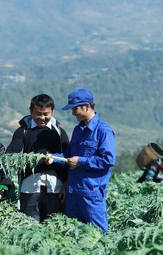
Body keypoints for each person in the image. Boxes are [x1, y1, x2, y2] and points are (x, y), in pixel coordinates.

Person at [48, 88, 116, 234]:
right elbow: (69, 155)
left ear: (86, 106)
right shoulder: (78, 130)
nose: (73, 113)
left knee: (98, 235)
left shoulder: (103, 131)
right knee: (75, 234)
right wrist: (53, 158)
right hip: (73, 193)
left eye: (75, 109)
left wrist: (81, 162)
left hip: (91, 193)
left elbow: (108, 160)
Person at [6, 94, 70, 222]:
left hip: (55, 187)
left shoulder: (59, 132)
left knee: (55, 226)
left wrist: (67, 183)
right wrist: (34, 159)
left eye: (46, 114)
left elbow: (68, 158)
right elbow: (11, 156)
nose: (42, 118)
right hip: (30, 186)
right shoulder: (22, 132)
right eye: (38, 114)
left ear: (52, 111)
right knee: (30, 226)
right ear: (31, 111)